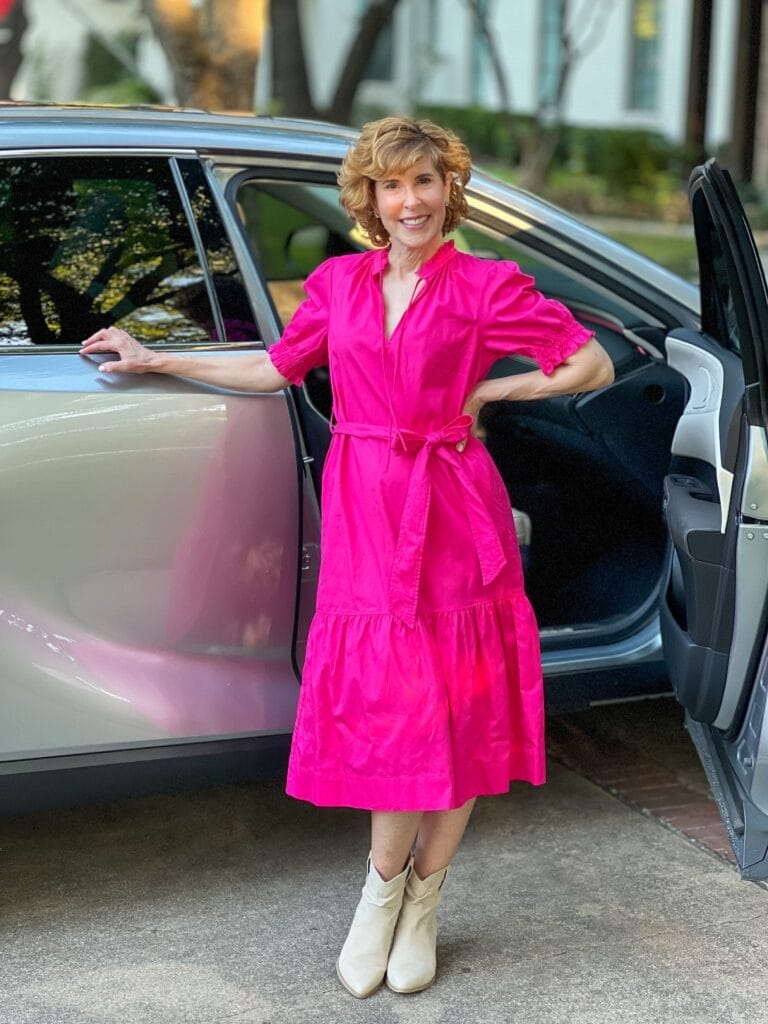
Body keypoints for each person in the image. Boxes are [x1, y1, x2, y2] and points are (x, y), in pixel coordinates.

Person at [80, 116, 614, 999]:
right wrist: (157, 360)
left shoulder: (487, 285)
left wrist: (495, 387)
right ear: (368, 199)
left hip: (452, 505)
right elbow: (277, 368)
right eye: (392, 186)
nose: (411, 201)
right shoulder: (336, 283)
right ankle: (379, 891)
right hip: (368, 504)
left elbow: (588, 363)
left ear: (449, 191)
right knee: (395, 704)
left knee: (460, 700)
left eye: (426, 183)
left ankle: (425, 901)